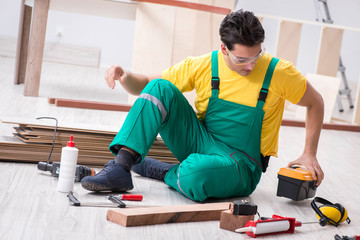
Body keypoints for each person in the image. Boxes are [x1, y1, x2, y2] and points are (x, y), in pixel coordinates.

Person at [81, 9, 324, 202]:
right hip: (200, 142)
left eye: (256, 56)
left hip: (241, 163)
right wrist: (124, 75)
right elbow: (145, 86)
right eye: (242, 59)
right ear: (224, 49)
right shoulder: (206, 65)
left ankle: (165, 171)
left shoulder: (279, 72)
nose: (251, 66)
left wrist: (309, 153)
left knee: (195, 176)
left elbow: (315, 102)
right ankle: (120, 168)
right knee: (159, 88)